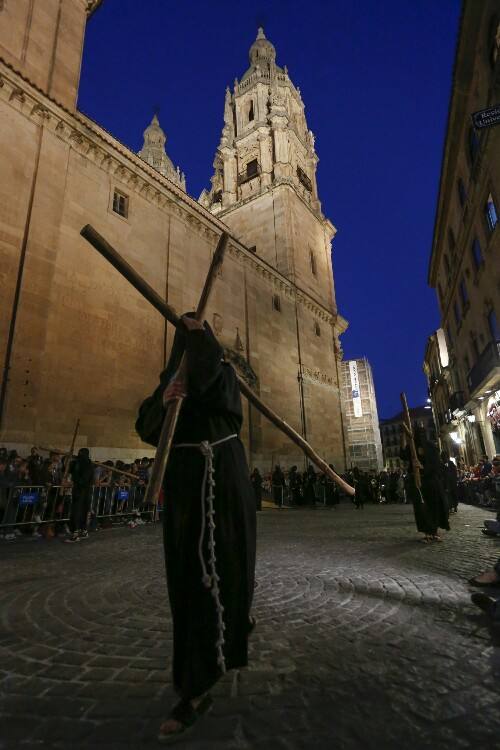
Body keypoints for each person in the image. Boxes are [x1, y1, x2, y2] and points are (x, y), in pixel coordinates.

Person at [135, 314, 256, 743]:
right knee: (189, 585)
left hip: (220, 489)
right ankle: (194, 683)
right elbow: (145, 423)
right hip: (186, 497)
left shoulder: (221, 375)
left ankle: (225, 643)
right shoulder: (172, 381)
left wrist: (199, 339)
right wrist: (165, 398)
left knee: (227, 573)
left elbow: (215, 390)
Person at [401, 424, 449, 543]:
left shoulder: (431, 447)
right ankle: (427, 533)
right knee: (422, 509)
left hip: (431, 482)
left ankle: (435, 532)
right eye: (418, 435)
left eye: (422, 434)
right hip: (418, 483)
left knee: (434, 507)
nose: (420, 437)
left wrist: (422, 467)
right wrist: (403, 437)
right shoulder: (412, 447)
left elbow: (437, 466)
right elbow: (402, 455)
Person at [65, 448, 93, 543]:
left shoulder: (83, 464)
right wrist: (68, 461)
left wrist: (75, 478)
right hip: (84, 491)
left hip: (80, 491)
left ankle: (76, 533)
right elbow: (67, 470)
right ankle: (83, 531)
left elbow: (82, 479)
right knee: (82, 511)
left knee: (77, 511)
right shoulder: (85, 463)